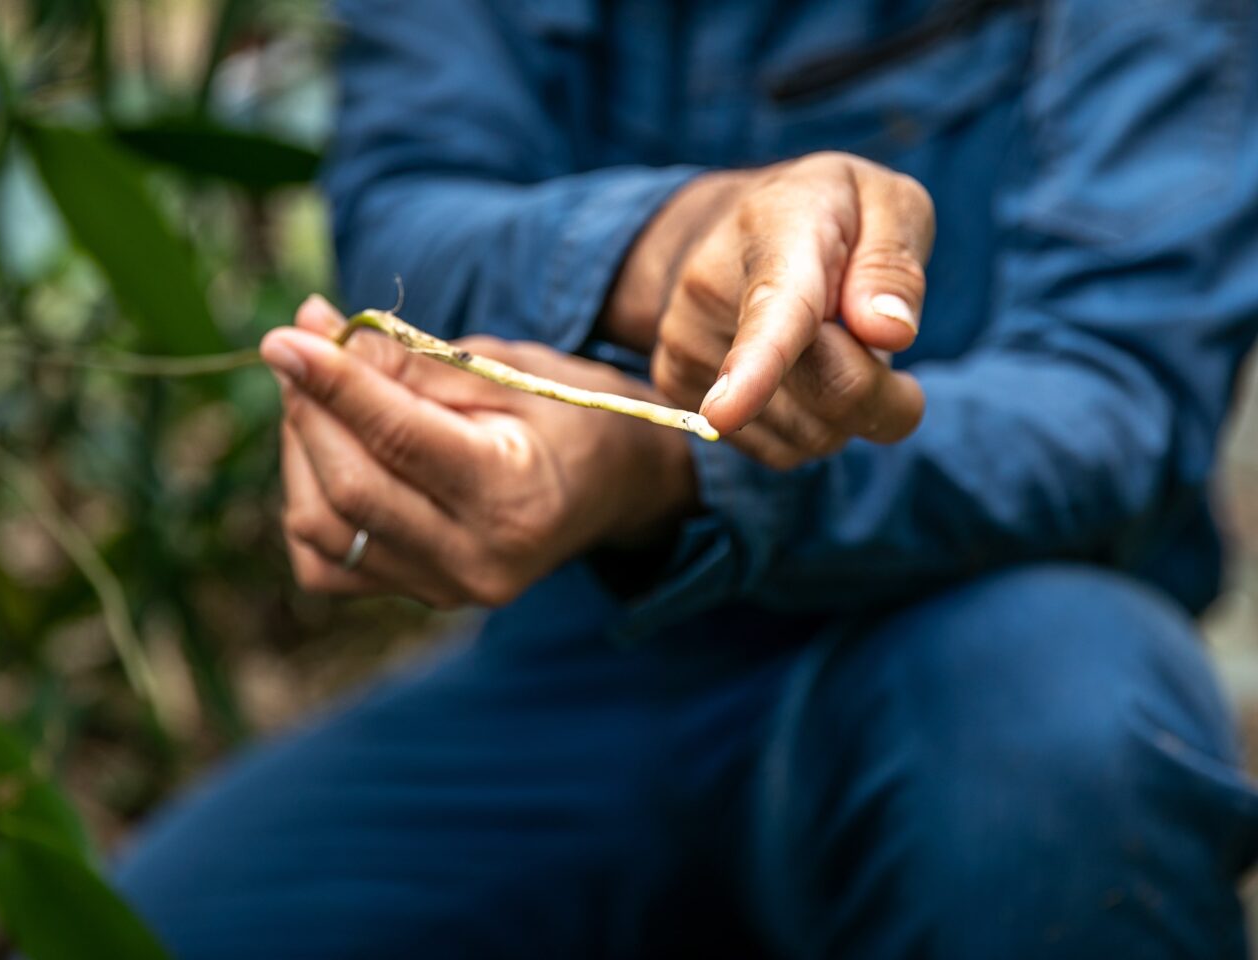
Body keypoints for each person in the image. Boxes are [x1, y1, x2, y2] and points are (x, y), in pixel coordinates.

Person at [114, 0, 1258, 956]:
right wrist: (673, 243)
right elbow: (404, 212)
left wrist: (663, 468)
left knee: (1066, 742)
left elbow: (1117, 397)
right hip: (581, 670)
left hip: (981, 649)